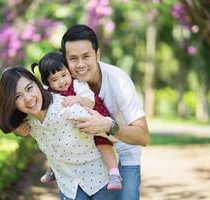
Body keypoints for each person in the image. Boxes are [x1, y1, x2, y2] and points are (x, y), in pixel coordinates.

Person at [0, 67, 119, 200]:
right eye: (17, 96)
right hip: (69, 189)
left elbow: (113, 135)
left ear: (38, 85)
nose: (28, 98)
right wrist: (17, 131)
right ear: (12, 103)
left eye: (29, 88)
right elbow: (8, 123)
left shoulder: (66, 108)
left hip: (100, 182)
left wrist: (109, 126)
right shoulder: (28, 122)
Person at [60, 24, 150, 200]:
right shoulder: (62, 81)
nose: (80, 65)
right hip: (86, 154)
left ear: (97, 54)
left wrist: (109, 126)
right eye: (73, 59)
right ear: (65, 60)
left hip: (124, 149)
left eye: (86, 56)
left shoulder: (118, 80)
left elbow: (143, 137)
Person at [32, 51, 122, 190]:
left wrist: (78, 99)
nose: (62, 82)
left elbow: (91, 102)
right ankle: (55, 170)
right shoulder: (48, 91)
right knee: (56, 142)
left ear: (69, 71)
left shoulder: (78, 85)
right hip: (73, 126)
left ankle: (114, 174)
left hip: (93, 119)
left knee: (103, 144)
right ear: (48, 82)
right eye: (55, 80)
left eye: (63, 75)